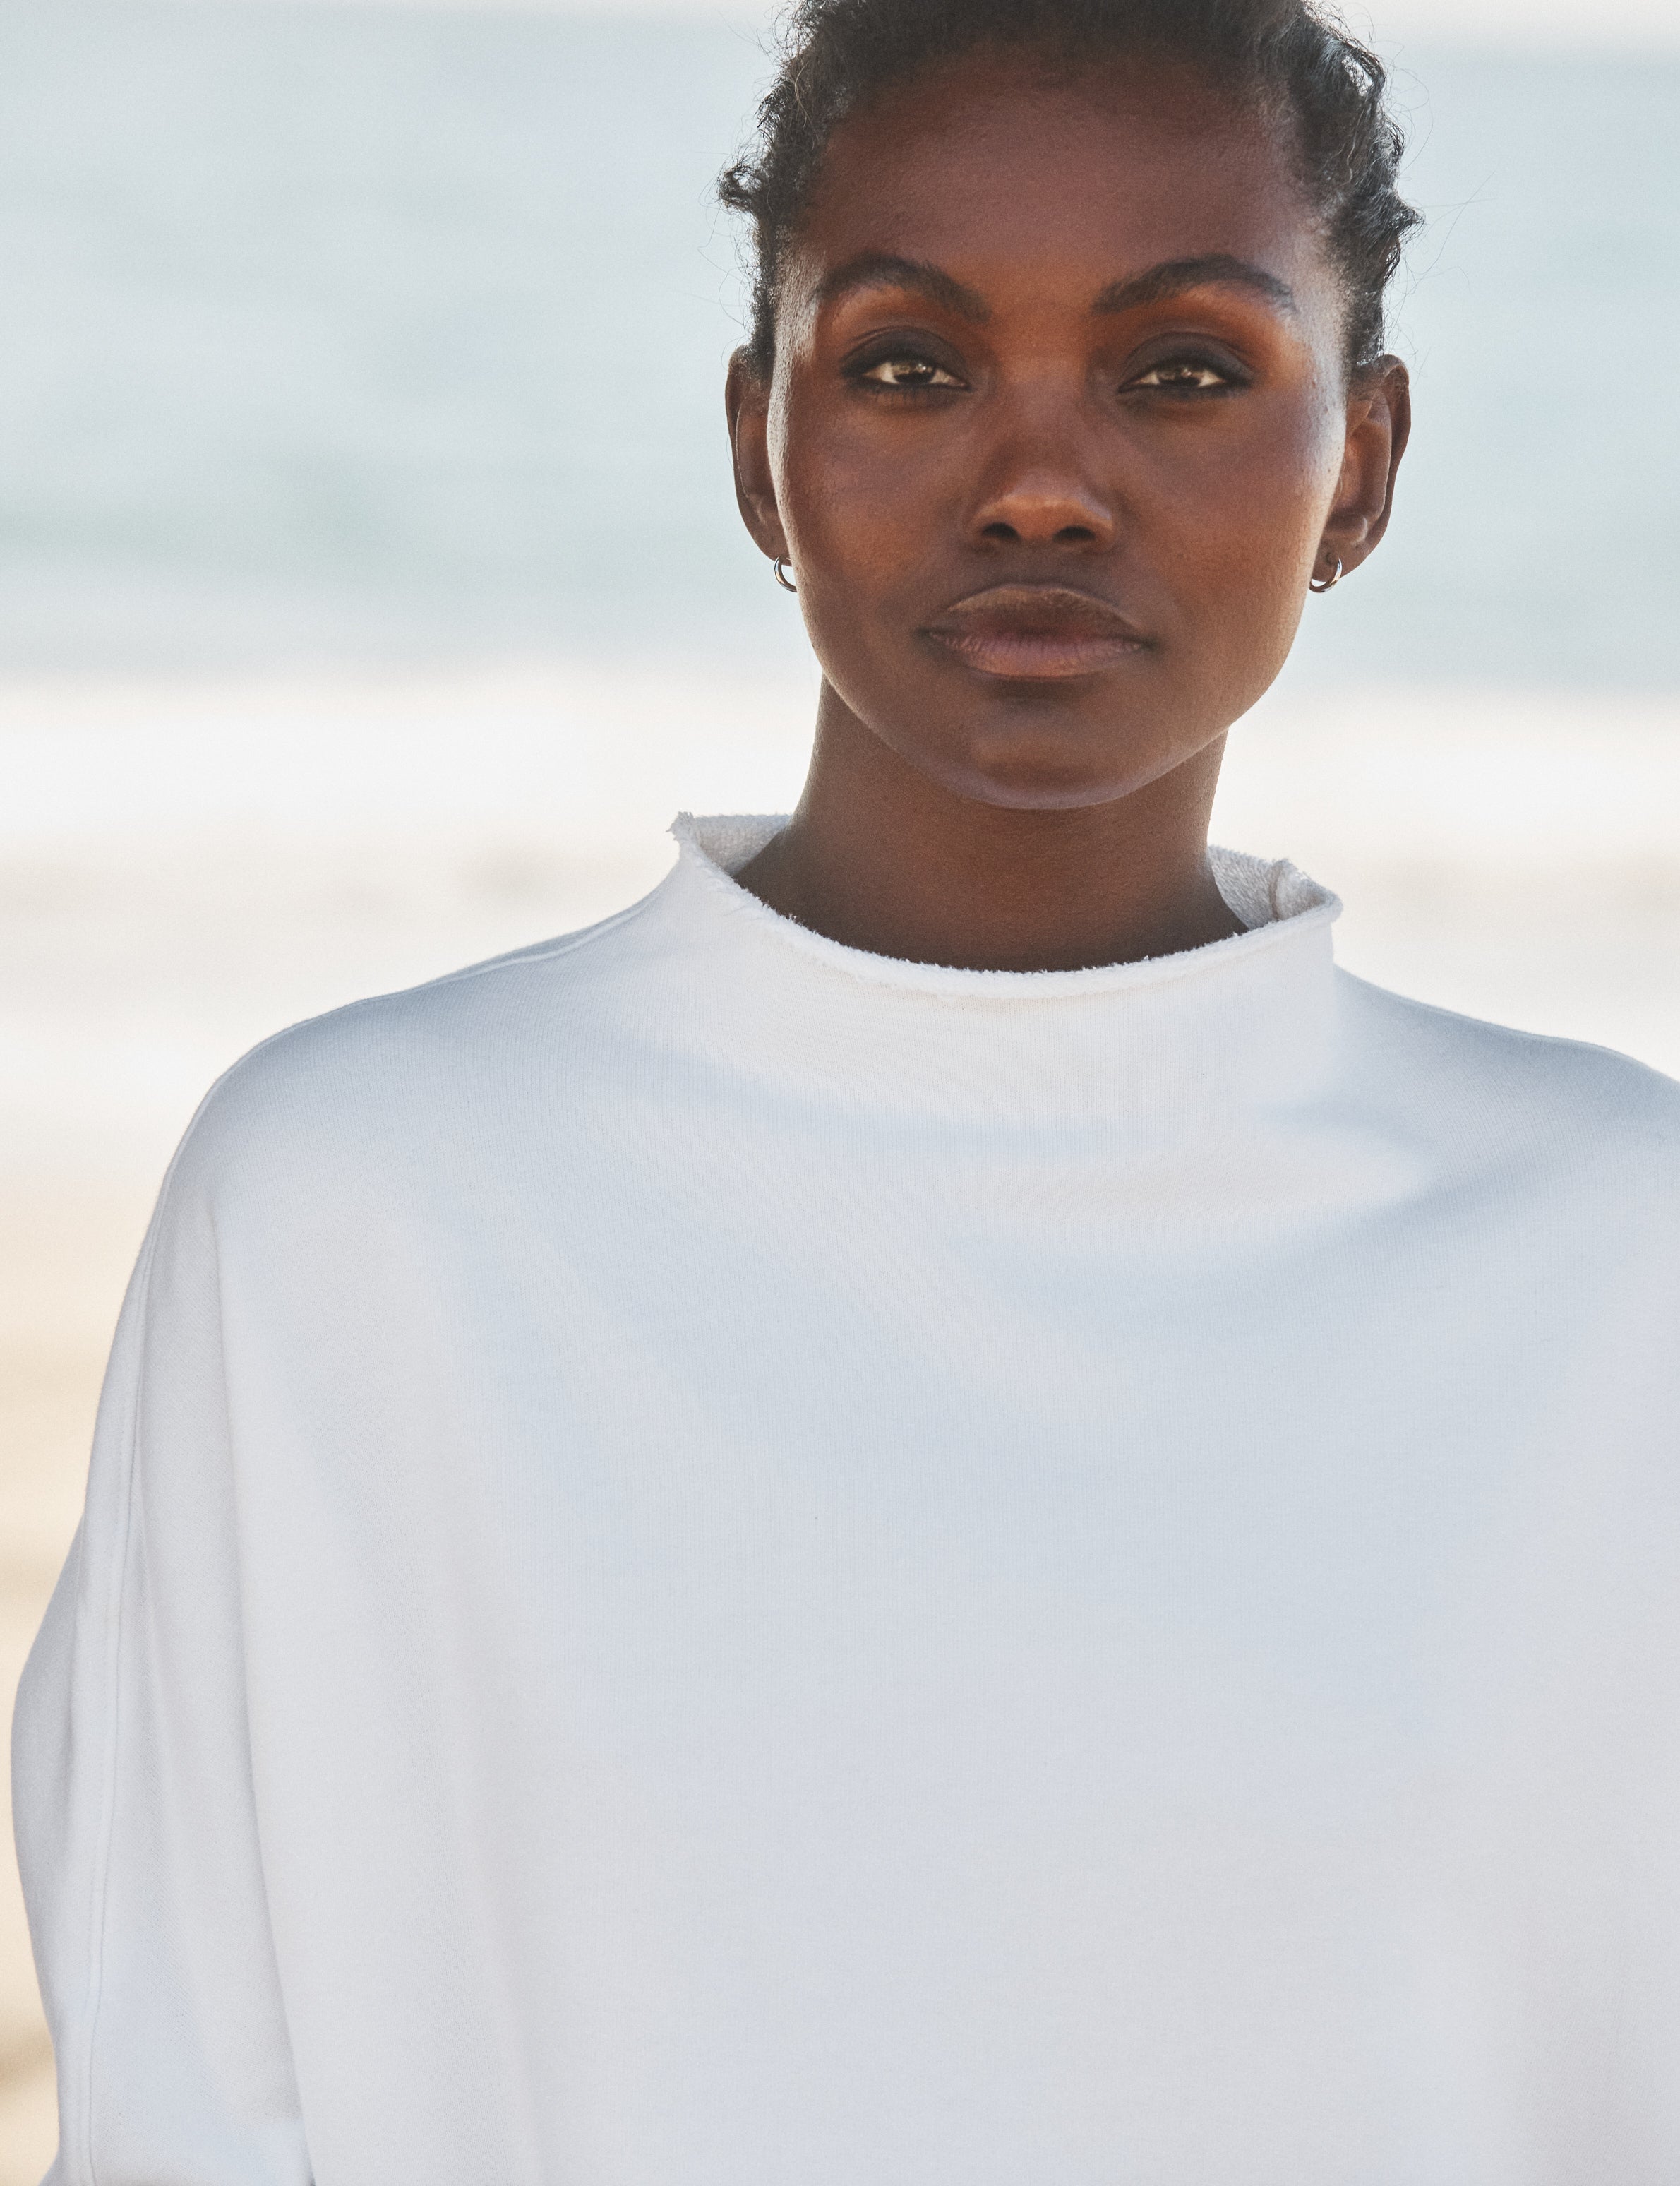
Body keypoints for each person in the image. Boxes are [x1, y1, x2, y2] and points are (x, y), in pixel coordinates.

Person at [15, 0, 1680, 2177]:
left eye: (1181, 369)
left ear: (1356, 464)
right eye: (905, 364)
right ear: (751, 449)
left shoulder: (1609, 1259)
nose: (1041, 481)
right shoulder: (365, 1207)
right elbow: (195, 2107)